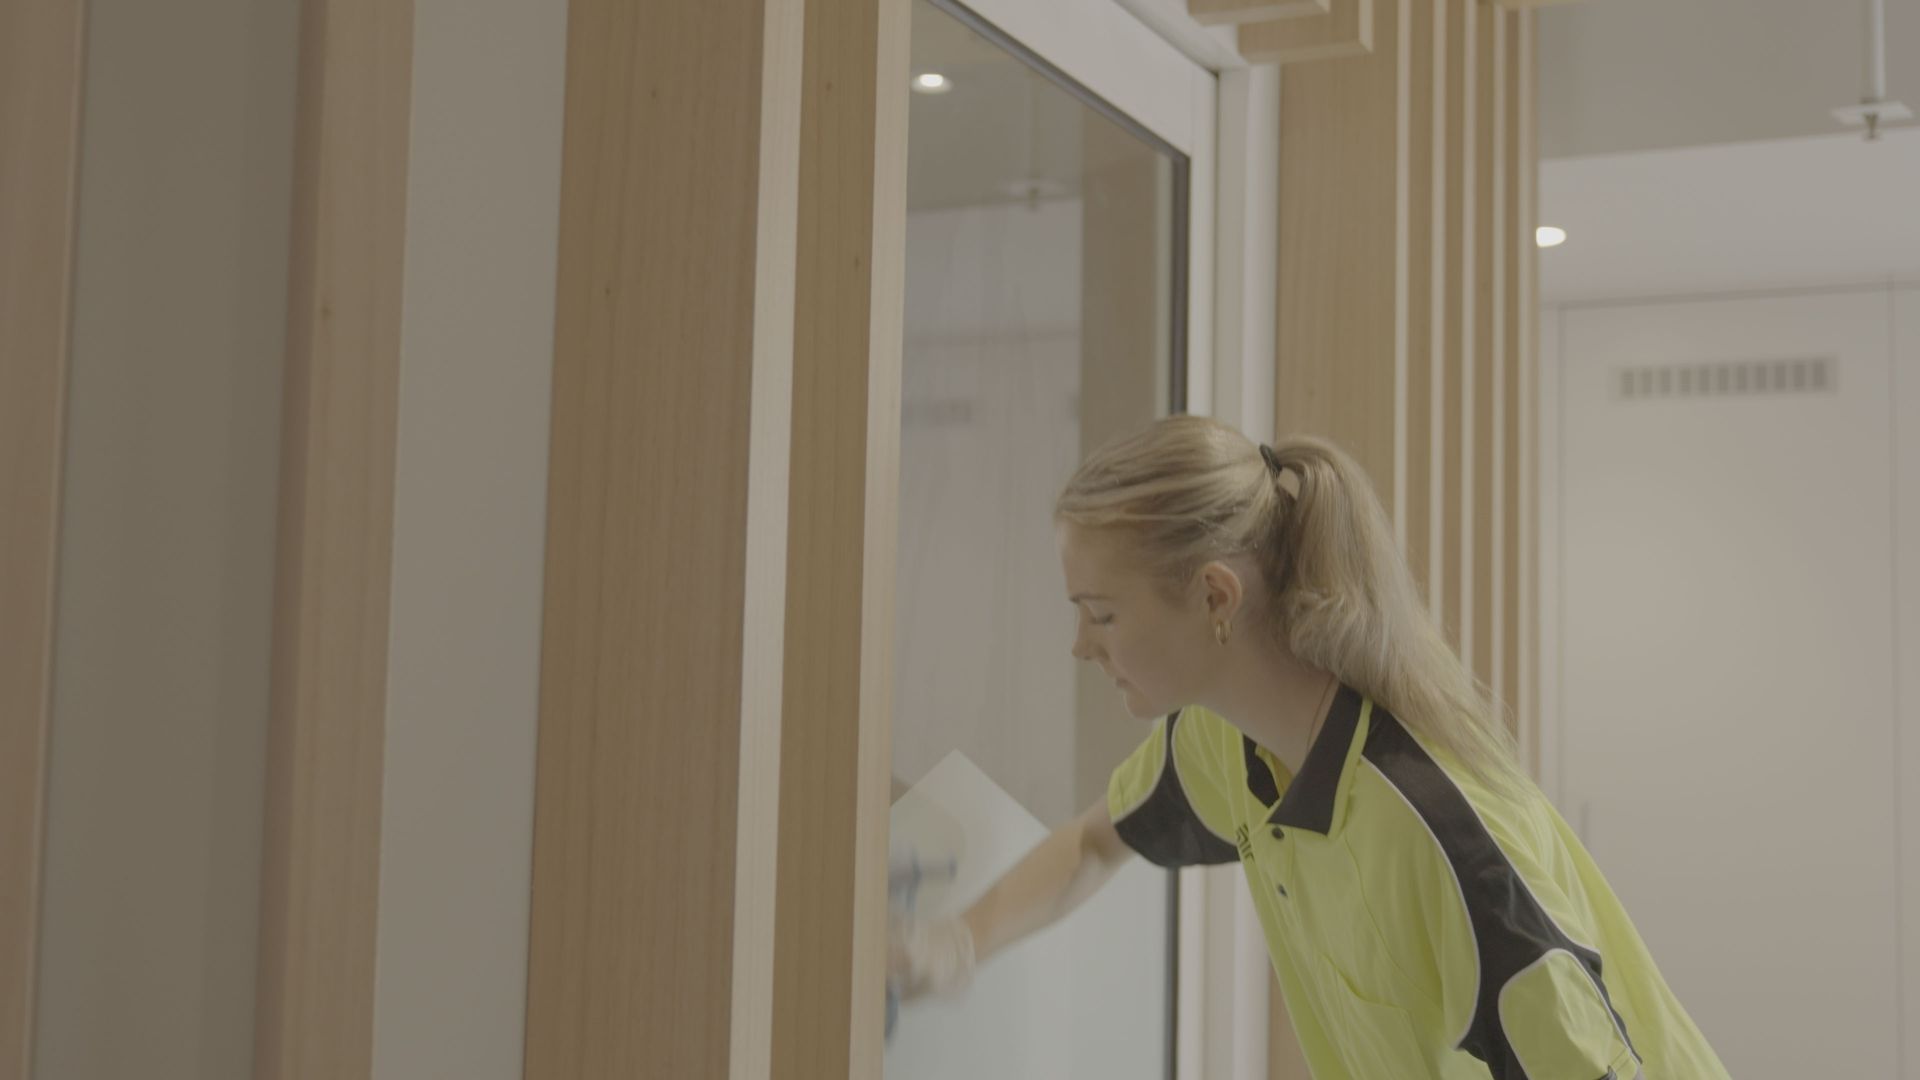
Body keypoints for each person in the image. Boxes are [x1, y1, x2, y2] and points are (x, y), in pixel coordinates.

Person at [888, 415, 1727, 1079]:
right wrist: (954, 944)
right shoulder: (1229, 746)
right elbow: (1092, 844)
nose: (1082, 645)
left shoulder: (1446, 840)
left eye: (1101, 613)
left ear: (1216, 595)